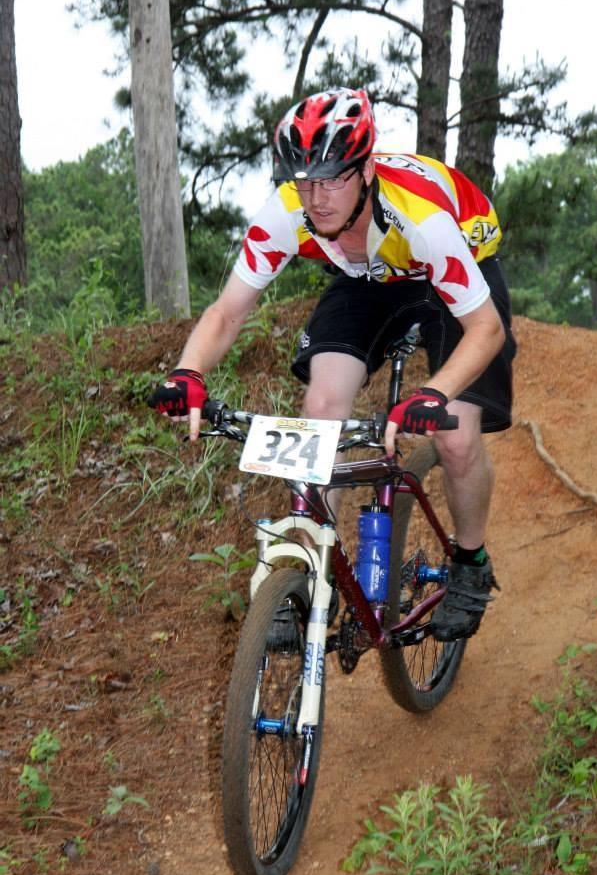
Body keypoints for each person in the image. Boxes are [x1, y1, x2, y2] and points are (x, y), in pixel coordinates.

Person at [149, 87, 516, 642]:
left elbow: (485, 330)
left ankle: (471, 562)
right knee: (321, 405)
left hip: (454, 269)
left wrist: (434, 392)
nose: (316, 197)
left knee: (457, 434)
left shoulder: (422, 216)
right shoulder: (290, 211)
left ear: (366, 169)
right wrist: (188, 373)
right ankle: (309, 567)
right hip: (369, 273)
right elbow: (226, 312)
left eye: (332, 179)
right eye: (304, 180)